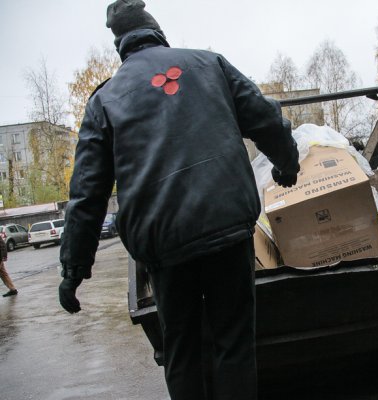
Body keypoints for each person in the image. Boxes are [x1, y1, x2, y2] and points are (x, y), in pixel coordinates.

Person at [58, 1, 299, 399]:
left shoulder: (104, 100)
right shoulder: (209, 64)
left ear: (121, 44)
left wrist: (74, 268)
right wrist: (286, 164)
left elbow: (87, 191)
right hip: (226, 227)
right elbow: (265, 118)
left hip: (163, 245)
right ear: (156, 30)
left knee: (181, 351)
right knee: (233, 343)